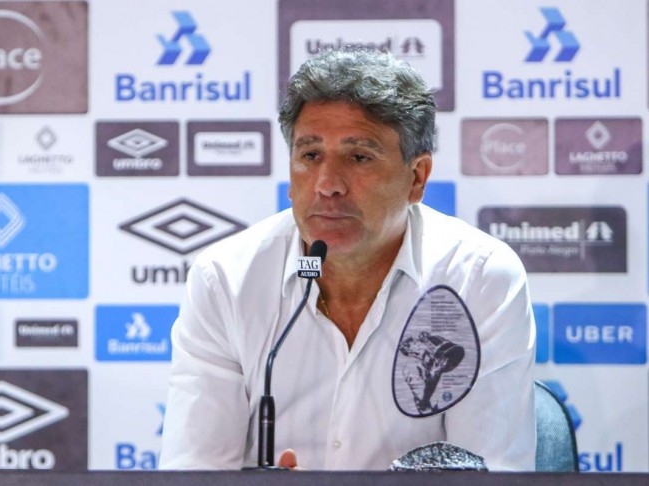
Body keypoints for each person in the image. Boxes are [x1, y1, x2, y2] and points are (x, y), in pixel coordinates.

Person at [159, 49, 536, 471]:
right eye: (310, 156)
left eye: (359, 157)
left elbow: (488, 473)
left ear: (417, 177)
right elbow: (193, 471)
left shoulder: (479, 278)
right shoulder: (227, 279)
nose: (328, 184)